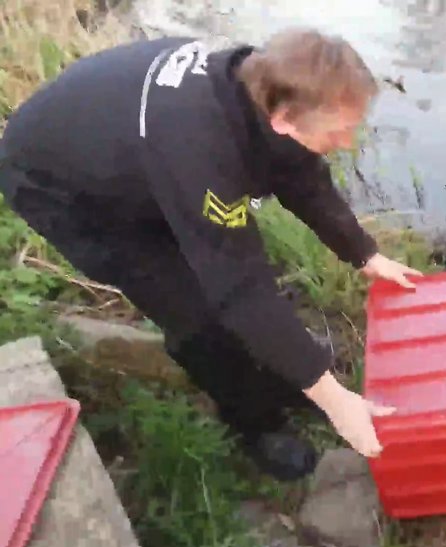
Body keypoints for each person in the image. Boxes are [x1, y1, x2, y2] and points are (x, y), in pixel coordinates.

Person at [0, 28, 421, 480]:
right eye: (339, 131)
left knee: (233, 276)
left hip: (134, 154)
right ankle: (256, 423)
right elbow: (240, 289)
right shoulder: (201, 149)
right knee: (196, 311)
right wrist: (338, 403)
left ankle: (292, 376)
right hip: (69, 191)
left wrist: (364, 254)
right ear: (282, 119)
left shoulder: (264, 86)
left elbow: (303, 175)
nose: (347, 143)